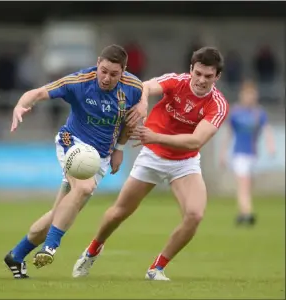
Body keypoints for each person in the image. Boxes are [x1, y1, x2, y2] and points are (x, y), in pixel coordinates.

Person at [72, 47, 229, 281]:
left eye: (208, 76)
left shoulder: (218, 104)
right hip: (153, 157)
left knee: (195, 215)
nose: (201, 80)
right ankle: (93, 249)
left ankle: (157, 268)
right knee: (119, 212)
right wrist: (143, 103)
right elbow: (144, 86)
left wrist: (155, 137)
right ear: (191, 70)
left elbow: (195, 140)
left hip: (184, 162)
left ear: (217, 77)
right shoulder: (177, 81)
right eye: (197, 73)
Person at [4, 44, 146, 279]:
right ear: (98, 62)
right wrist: (20, 105)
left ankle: (16, 255)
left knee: (58, 213)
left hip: (100, 156)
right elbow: (38, 93)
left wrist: (119, 149)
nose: (107, 78)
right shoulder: (79, 82)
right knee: (85, 187)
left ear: (124, 71)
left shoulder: (132, 88)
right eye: (103, 71)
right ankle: (51, 246)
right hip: (71, 141)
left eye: (114, 74)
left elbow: (128, 121)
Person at [219, 80, 275, 226]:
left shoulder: (259, 113)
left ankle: (242, 213)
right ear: (242, 95)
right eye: (248, 94)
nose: (250, 97)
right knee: (243, 183)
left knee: (248, 185)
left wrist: (270, 146)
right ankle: (248, 212)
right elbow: (229, 134)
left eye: (252, 94)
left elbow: (267, 130)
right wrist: (223, 153)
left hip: (253, 154)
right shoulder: (236, 112)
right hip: (239, 154)